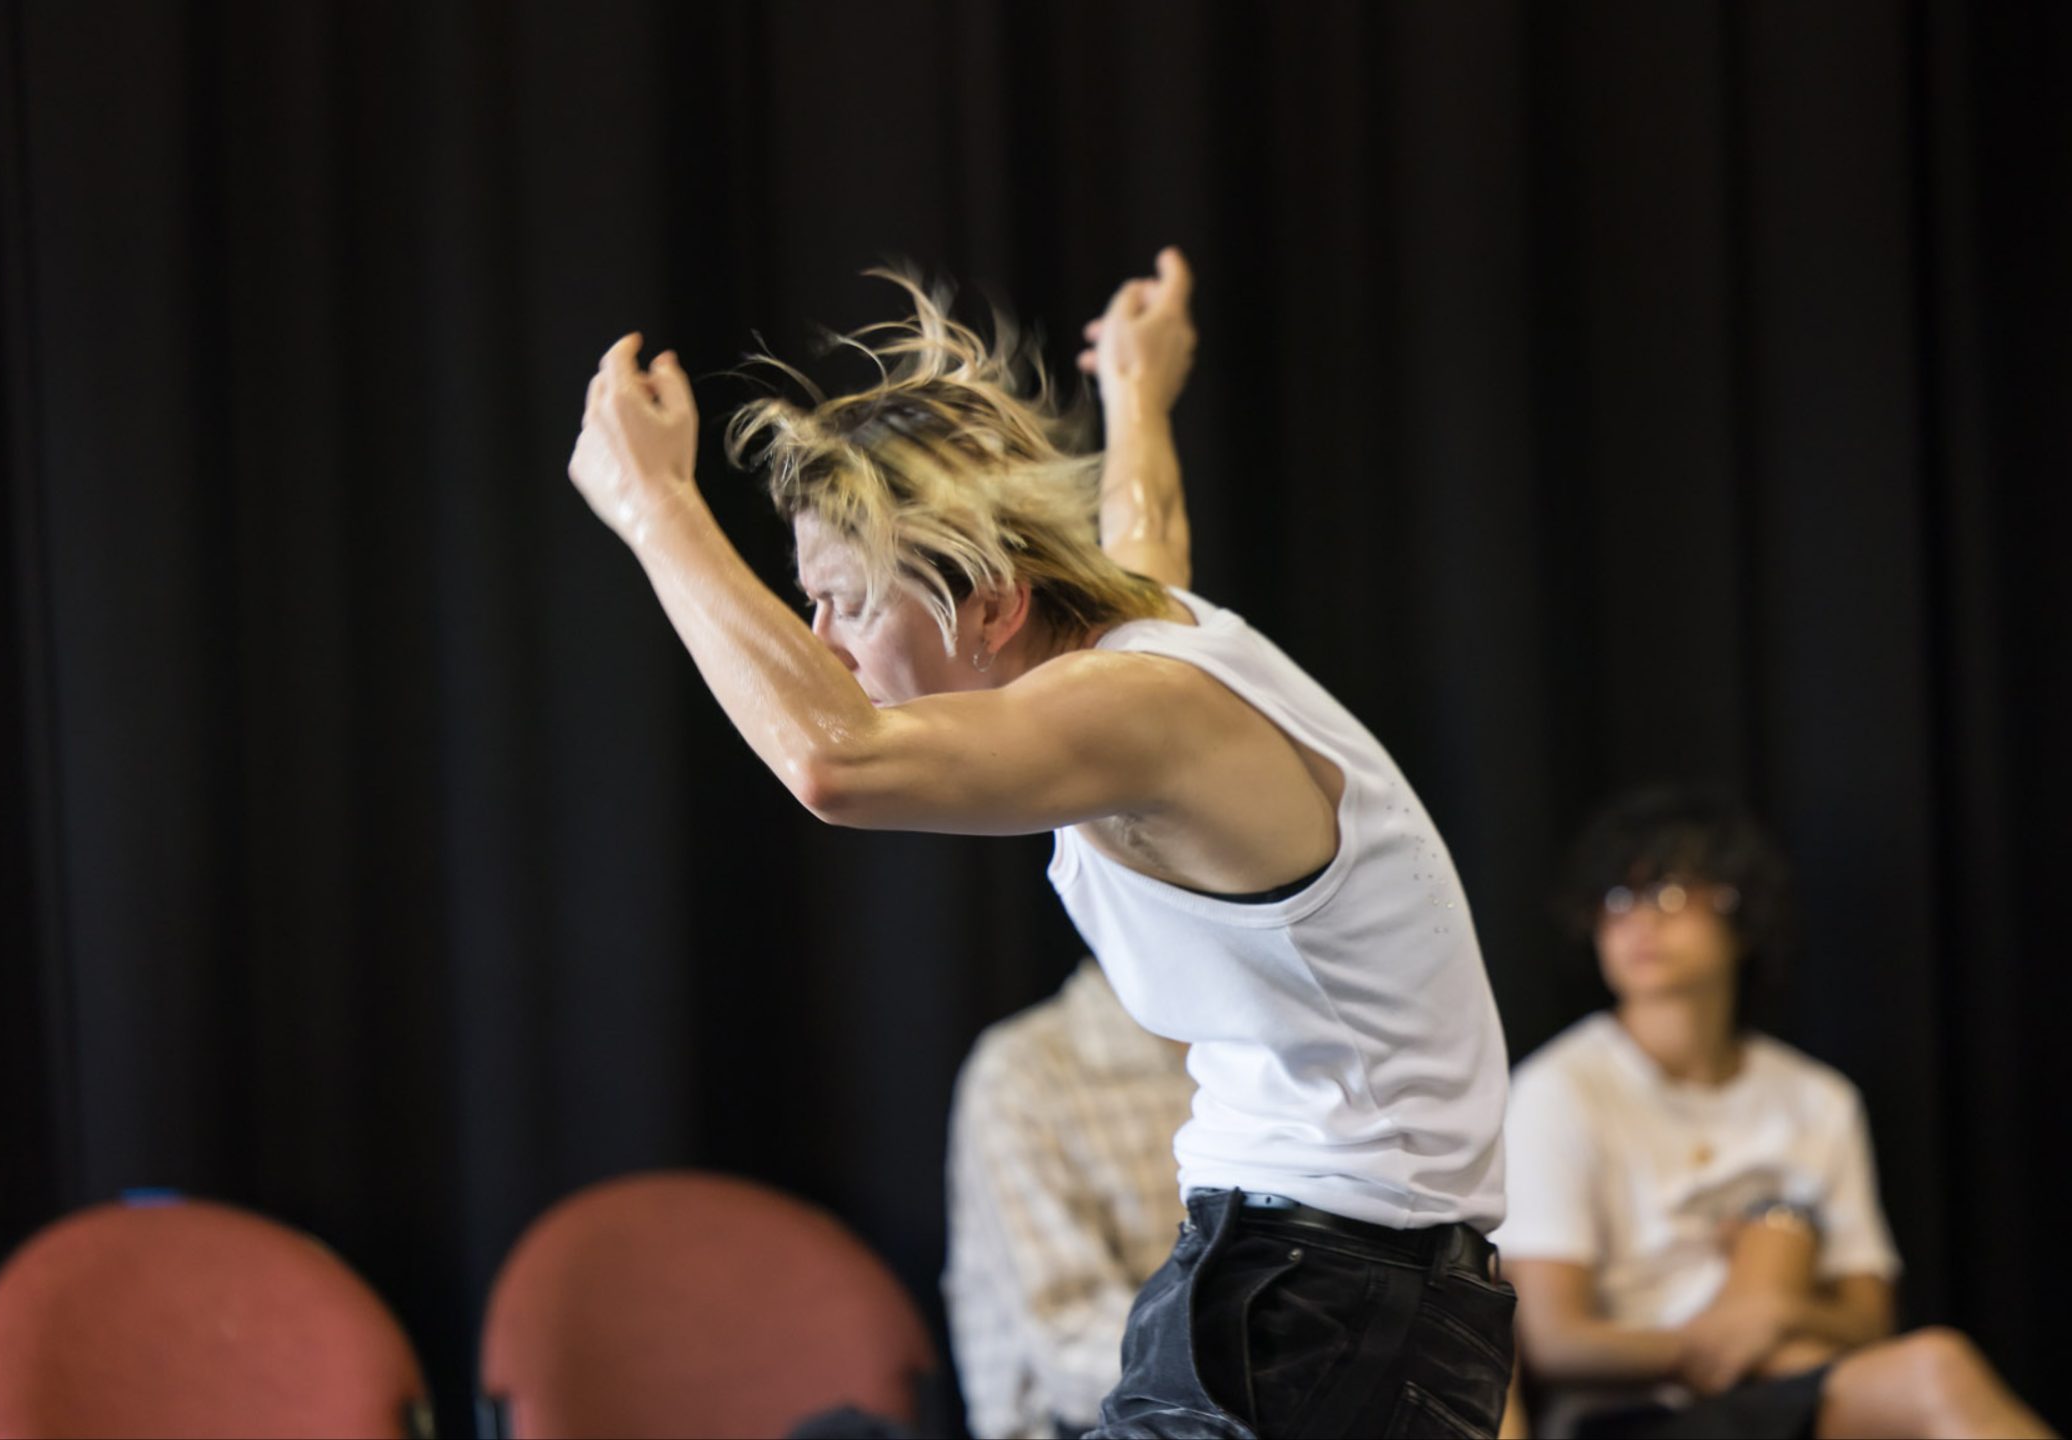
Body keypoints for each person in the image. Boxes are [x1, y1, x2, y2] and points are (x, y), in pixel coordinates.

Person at [565, 247, 1514, 1437]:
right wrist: (1136, 390)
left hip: (1331, 1298)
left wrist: (655, 510)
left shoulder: (1141, 709)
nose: (820, 644)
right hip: (1295, 1283)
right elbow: (1146, 521)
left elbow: (833, 763)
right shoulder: (1140, 641)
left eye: (847, 601)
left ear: (994, 605)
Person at [1496, 786, 2053, 1439]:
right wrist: (1724, 1342)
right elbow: (1555, 1339)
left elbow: (1870, 1317)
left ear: (1742, 913)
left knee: (1931, 1368)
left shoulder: (1816, 1098)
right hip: (1634, 1415)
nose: (1638, 922)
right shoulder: (1560, 1089)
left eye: (1669, 893)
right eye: (1616, 899)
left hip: (1789, 1394)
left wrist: (1772, 1309)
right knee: (1936, 1371)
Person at [944, 958, 1195, 1439]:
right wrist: (1247, 1359)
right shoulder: (1025, 1070)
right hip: (1087, 1424)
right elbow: (1068, 1340)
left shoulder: (1263, 1053)